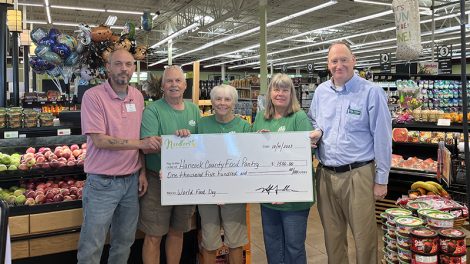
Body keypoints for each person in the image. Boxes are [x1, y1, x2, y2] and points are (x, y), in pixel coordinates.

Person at [308, 41, 392, 264]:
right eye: (334, 61)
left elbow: (383, 138)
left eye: (344, 60)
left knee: (364, 239)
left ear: (354, 61)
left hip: (359, 175)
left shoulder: (371, 92)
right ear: (328, 64)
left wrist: (381, 179)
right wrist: (315, 133)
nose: (339, 65)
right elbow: (314, 121)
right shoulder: (321, 92)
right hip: (325, 174)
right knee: (332, 237)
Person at [77, 49, 161, 264]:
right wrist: (141, 144)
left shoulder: (137, 96)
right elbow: (100, 140)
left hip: (131, 182)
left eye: (129, 64)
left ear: (134, 67)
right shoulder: (93, 96)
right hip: (102, 183)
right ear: (108, 67)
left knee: (124, 242)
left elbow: (138, 134)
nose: (124, 68)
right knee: (91, 246)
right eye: (118, 64)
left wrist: (141, 170)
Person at [139, 65, 200, 264]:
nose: (174, 85)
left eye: (178, 81)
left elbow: (203, 145)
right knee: (154, 235)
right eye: (169, 81)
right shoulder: (152, 110)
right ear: (162, 86)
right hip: (158, 181)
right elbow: (148, 145)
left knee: (177, 232)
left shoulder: (194, 109)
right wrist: (179, 142)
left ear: (185, 85)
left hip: (185, 181)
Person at [252, 73, 315, 264]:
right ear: (270, 93)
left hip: (293, 198)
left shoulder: (299, 117)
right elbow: (254, 156)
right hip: (268, 196)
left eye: (285, 90)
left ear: (291, 94)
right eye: (276, 89)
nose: (280, 93)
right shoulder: (262, 119)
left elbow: (304, 158)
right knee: (272, 246)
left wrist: (285, 191)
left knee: (294, 248)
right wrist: (257, 142)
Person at [197, 84, 251, 264]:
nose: (222, 103)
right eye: (218, 99)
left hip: (234, 192)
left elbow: (250, 159)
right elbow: (192, 156)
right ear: (212, 102)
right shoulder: (202, 124)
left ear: (234, 102)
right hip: (207, 191)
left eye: (227, 99)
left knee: (235, 242)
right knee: (210, 242)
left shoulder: (244, 126)